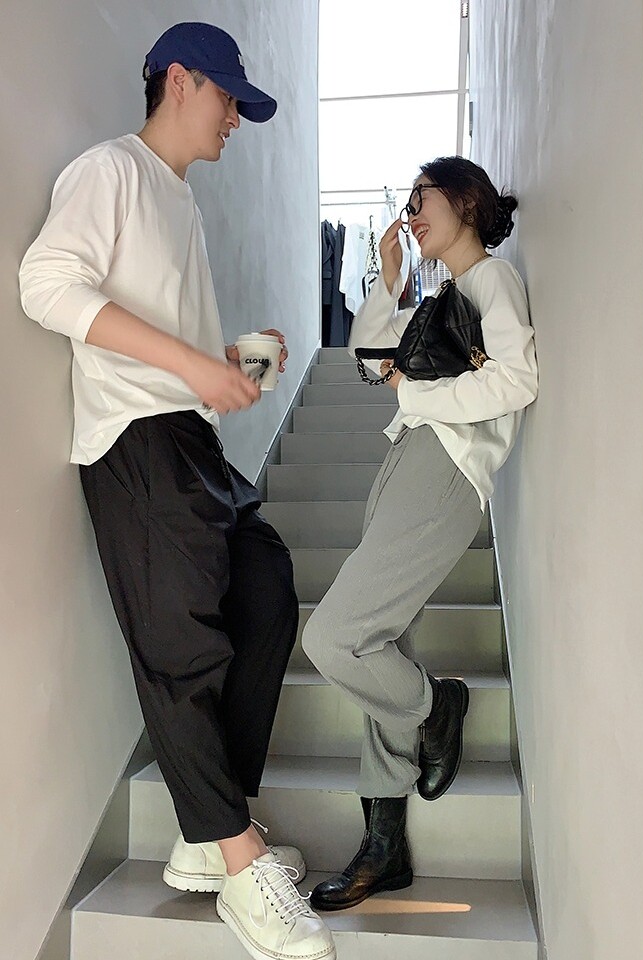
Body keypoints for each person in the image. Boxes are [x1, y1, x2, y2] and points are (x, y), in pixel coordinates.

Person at [19, 22, 335, 960]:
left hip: (190, 439)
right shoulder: (109, 170)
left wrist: (225, 358)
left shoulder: (179, 202)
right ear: (181, 80)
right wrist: (193, 366)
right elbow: (46, 284)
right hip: (136, 438)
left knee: (266, 590)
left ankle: (209, 834)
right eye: (229, 97)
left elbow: (162, 335)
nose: (235, 118)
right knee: (181, 650)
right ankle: (239, 865)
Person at [302, 156, 538, 911]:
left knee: (334, 638)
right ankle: (385, 847)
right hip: (409, 457)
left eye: (420, 199)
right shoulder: (441, 299)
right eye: (406, 204)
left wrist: (420, 394)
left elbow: (517, 379)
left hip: (447, 465)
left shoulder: (491, 280)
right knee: (376, 643)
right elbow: (370, 359)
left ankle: (438, 707)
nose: (410, 214)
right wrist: (389, 280)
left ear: (464, 202)